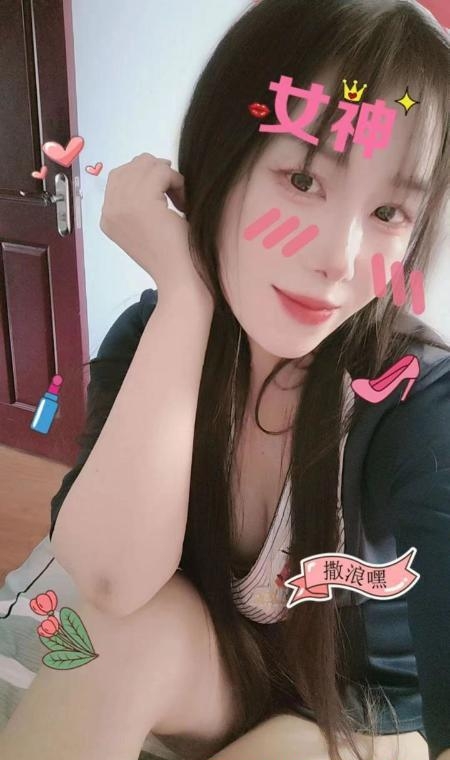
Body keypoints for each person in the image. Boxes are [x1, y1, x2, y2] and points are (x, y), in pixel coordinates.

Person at [1, 1, 449, 759]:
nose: (339, 259)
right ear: (221, 160)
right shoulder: (155, 334)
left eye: (387, 211)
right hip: (225, 663)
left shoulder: (418, 400)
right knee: (109, 635)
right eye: (302, 178)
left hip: (364, 704)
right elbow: (108, 580)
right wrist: (185, 296)